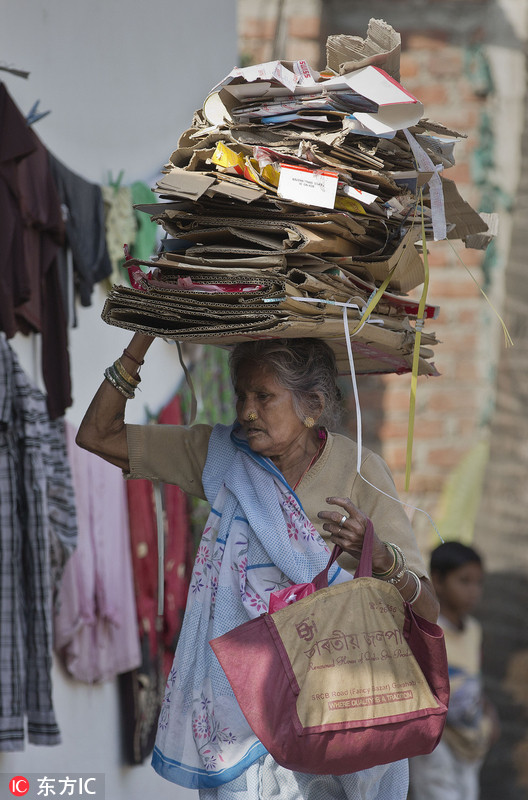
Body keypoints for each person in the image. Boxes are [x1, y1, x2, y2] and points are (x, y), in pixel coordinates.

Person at [77, 332, 439, 800]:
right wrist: (139, 343)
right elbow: (97, 435)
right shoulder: (223, 456)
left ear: (312, 403)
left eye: (264, 397)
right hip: (242, 711)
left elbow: (426, 609)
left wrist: (382, 556)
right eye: (241, 395)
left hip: (332, 713)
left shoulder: (359, 470)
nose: (246, 411)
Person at [408, 541, 498, 800]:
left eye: (478, 583)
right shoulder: (430, 629)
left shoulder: (474, 630)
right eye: (464, 581)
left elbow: (473, 678)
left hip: (471, 742)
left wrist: (489, 714)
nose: (473, 591)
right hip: (438, 742)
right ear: (437, 580)